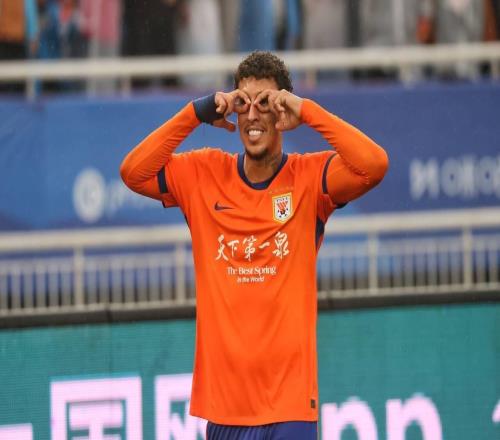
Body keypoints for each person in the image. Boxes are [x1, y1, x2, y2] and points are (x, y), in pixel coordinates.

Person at [120, 51, 388, 439]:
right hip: (225, 411)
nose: (252, 115)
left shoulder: (310, 178)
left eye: (266, 102)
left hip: (290, 409)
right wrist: (196, 113)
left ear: (282, 111)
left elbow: (374, 165)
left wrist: (308, 111)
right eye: (243, 102)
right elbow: (133, 172)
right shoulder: (203, 174)